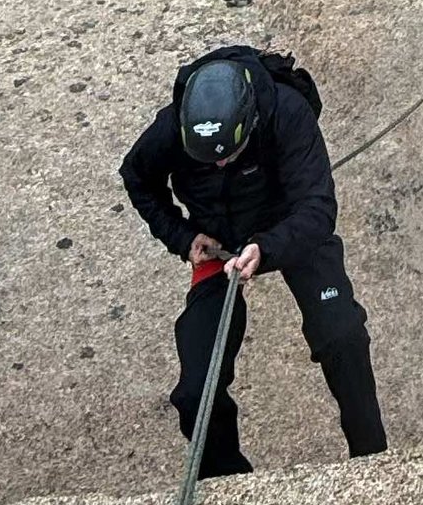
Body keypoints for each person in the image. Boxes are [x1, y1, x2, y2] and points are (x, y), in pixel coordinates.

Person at [120, 43, 387, 475]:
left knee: (343, 337)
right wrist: (183, 236)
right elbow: (136, 177)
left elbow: (318, 209)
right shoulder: (171, 128)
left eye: (230, 153)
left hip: (290, 226)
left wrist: (266, 248)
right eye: (210, 158)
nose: (221, 162)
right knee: (195, 394)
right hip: (218, 243)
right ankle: (229, 487)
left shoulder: (288, 112)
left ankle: (373, 458)